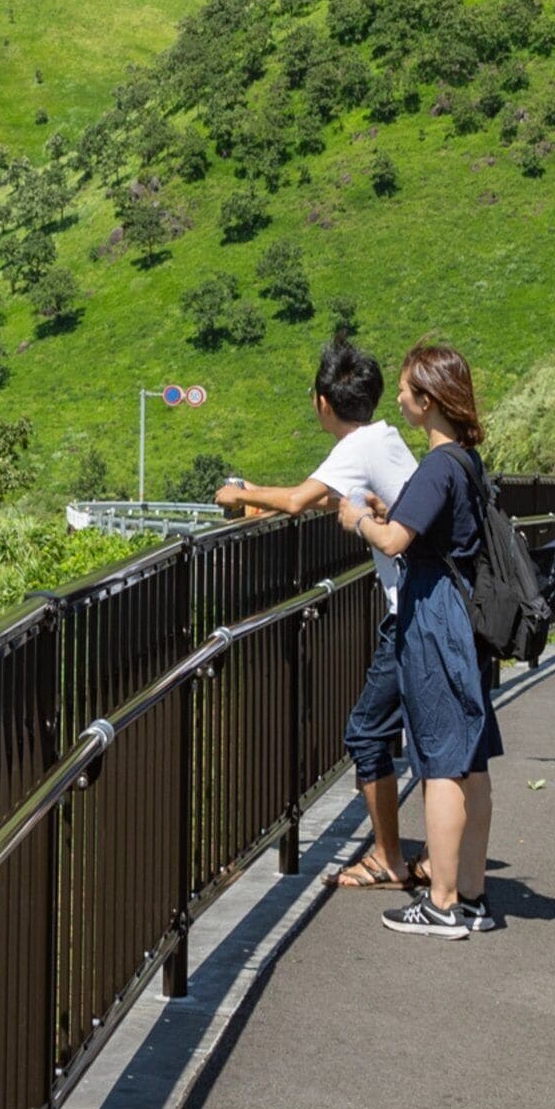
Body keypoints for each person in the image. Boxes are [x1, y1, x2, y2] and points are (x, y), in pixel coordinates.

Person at [216, 336, 426, 892]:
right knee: (428, 735)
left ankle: (388, 859)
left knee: (363, 733)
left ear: (322, 403)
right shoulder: (385, 438)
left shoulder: (354, 448)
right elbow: (342, 496)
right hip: (429, 605)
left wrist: (239, 494)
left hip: (412, 614)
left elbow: (296, 501)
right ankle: (442, 861)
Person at [338, 341, 507, 936]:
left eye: (408, 389)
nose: (402, 398)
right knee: (472, 760)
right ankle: (474, 894)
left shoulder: (437, 463)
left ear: (428, 399)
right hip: (464, 615)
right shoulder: (464, 460)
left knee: (439, 762)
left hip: (435, 616)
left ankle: (440, 902)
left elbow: (394, 544)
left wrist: (357, 518)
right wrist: (393, 511)